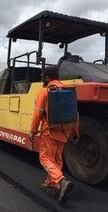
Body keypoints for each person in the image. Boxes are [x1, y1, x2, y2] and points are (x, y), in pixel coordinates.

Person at [28, 66, 79, 205]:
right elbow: (75, 115)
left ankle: (61, 181)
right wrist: (75, 133)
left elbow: (37, 113)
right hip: (65, 131)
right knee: (56, 159)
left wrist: (32, 131)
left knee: (45, 159)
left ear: (47, 78)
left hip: (49, 131)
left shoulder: (45, 91)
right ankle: (51, 184)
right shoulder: (69, 90)